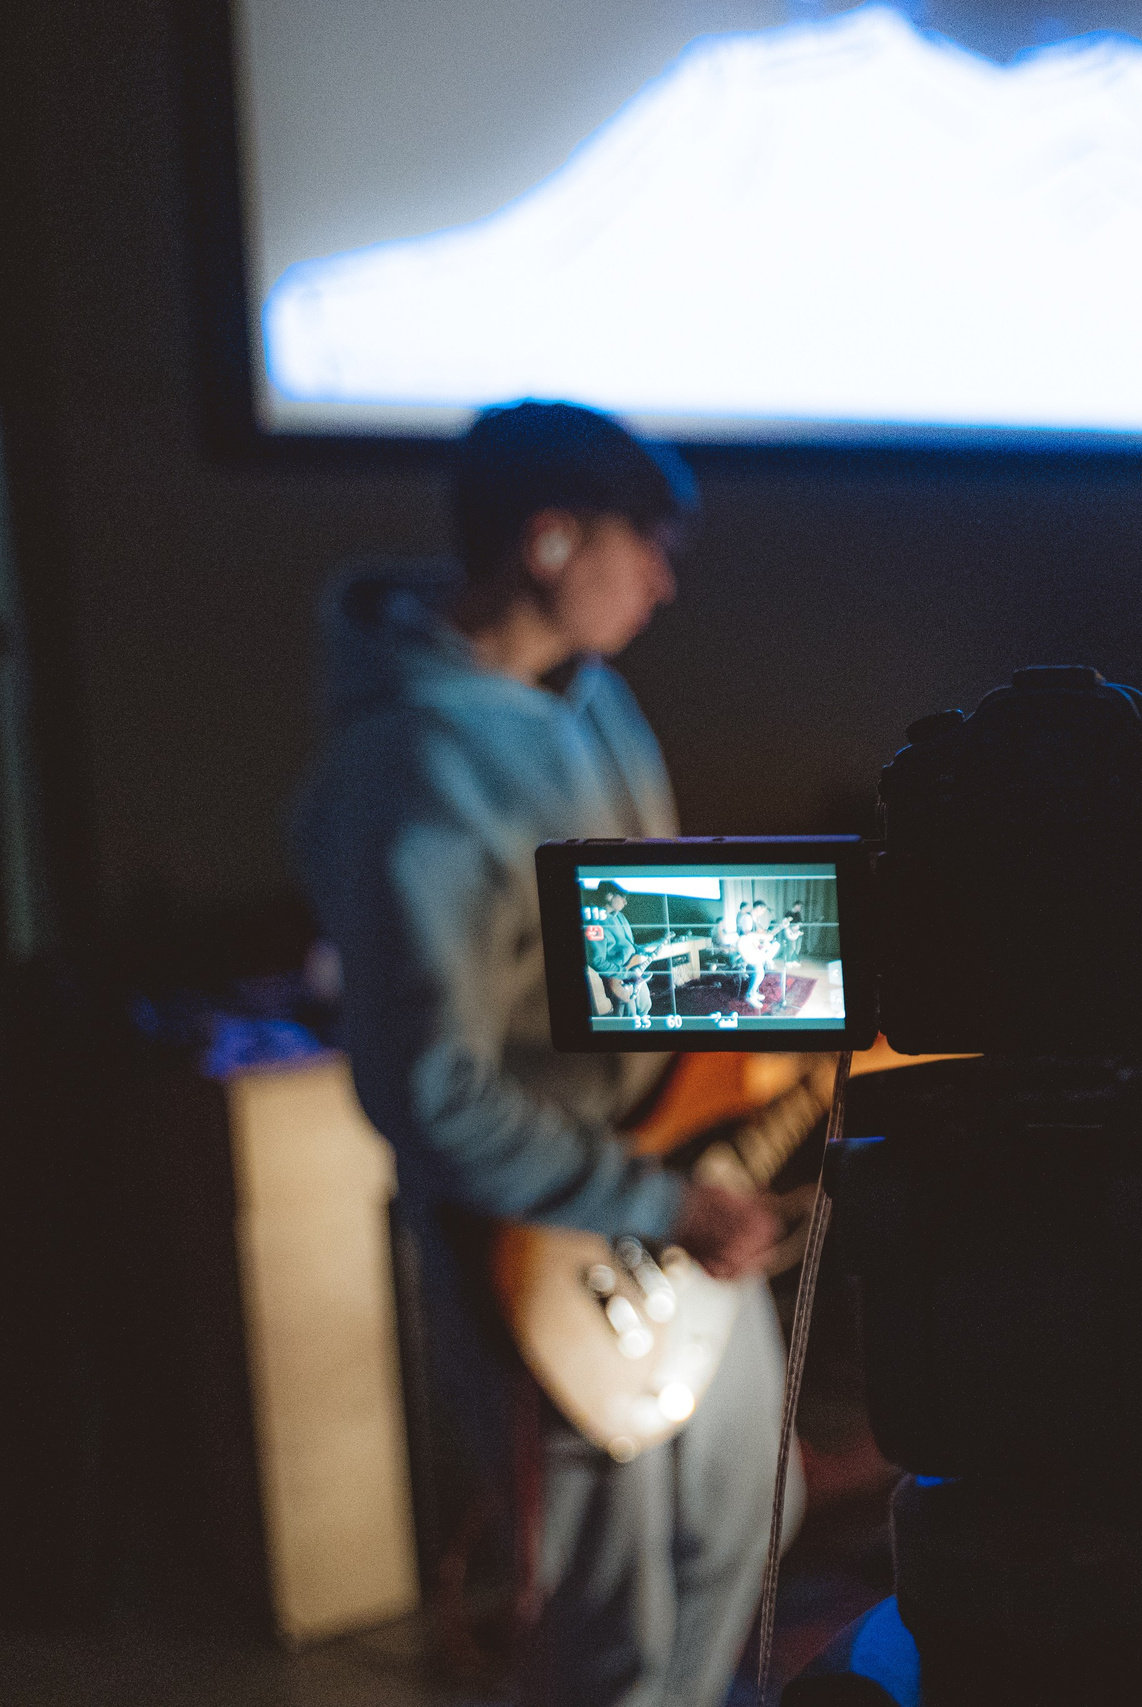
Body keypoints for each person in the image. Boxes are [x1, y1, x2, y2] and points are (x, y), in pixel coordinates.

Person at [295, 400, 799, 1707]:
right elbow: (431, 1093)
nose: (664, 580)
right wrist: (662, 1199)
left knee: (748, 1523)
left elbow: (636, 951)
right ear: (549, 537)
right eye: (646, 544)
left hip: (675, 1193)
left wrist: (803, 978)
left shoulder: (592, 697)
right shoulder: (410, 770)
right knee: (610, 1624)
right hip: (542, 1246)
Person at [584, 881, 653, 1015]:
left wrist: (640, 949)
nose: (625, 902)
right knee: (629, 1016)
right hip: (617, 979)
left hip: (634, 972)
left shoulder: (620, 916)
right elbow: (596, 961)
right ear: (609, 896)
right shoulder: (593, 922)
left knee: (645, 1006)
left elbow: (627, 945)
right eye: (623, 897)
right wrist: (625, 974)